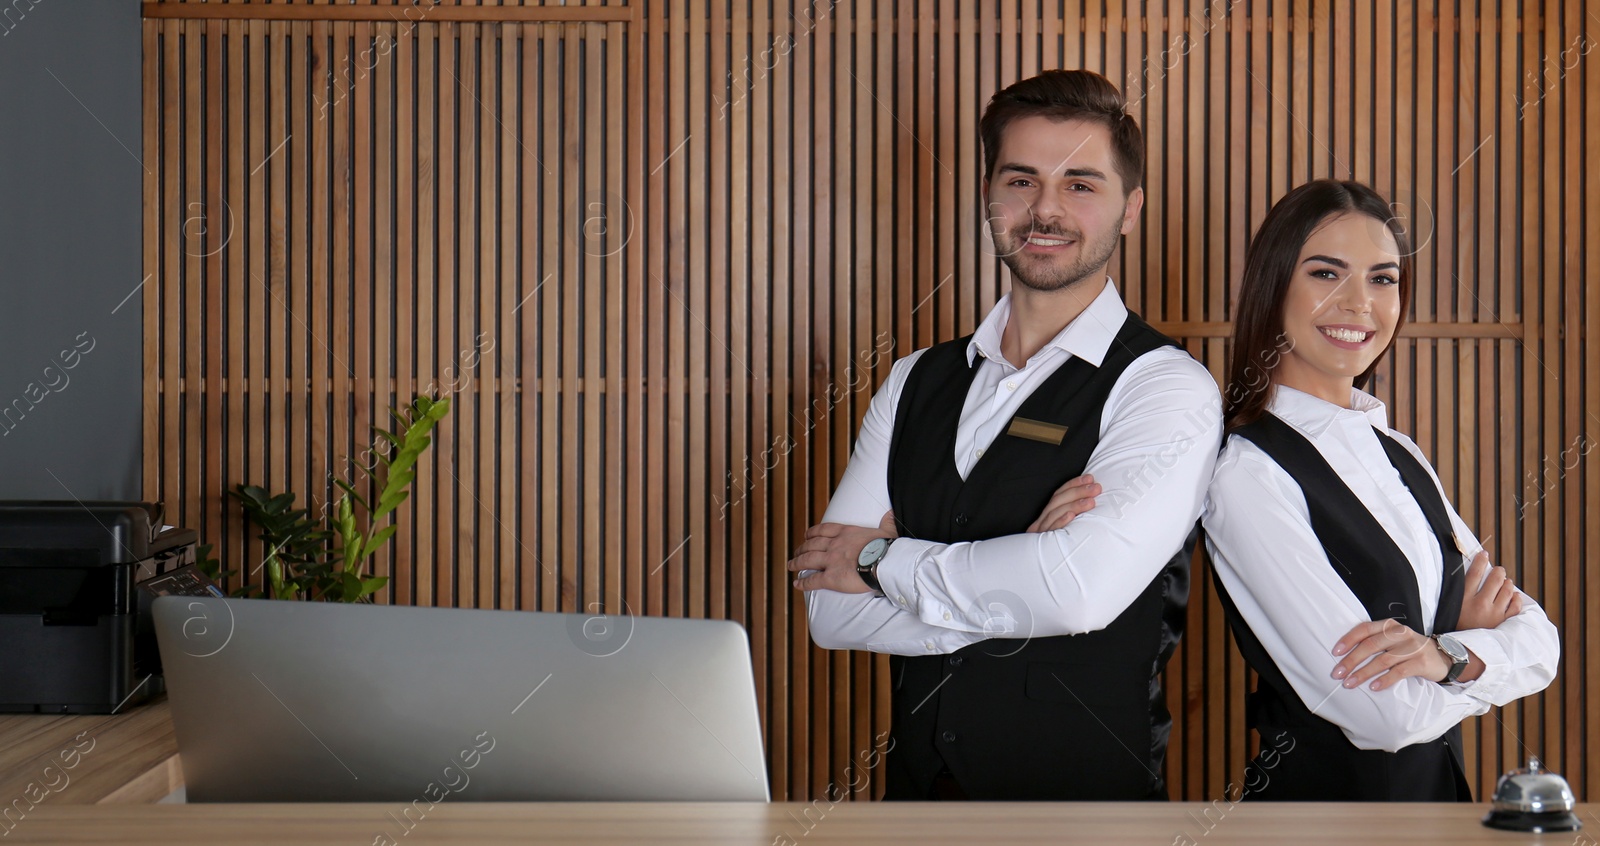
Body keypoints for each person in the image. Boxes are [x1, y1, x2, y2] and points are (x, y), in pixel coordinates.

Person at [785, 69, 1223, 801]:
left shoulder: (1166, 387)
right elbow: (830, 611)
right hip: (916, 812)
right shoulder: (912, 381)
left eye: (1081, 184)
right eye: (1021, 181)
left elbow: (1079, 595)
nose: (1045, 209)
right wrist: (1022, 576)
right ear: (988, 195)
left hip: (1087, 817)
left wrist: (878, 557)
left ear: (1130, 209)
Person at [1202, 178, 1560, 801]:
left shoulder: (1398, 450)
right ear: (1273, 285)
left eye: (1382, 278)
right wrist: (1472, 650)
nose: (1359, 304)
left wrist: (1441, 656)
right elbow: (1383, 718)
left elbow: (1542, 645)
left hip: (1438, 808)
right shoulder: (1247, 473)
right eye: (1325, 273)